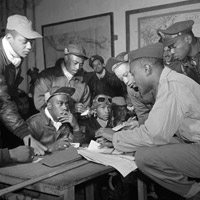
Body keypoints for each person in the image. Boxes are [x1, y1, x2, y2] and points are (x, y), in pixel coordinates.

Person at [96, 43, 200, 200]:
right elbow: (157, 129)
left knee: (144, 157)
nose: (130, 80)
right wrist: (123, 141)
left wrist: (115, 137)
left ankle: (194, 193)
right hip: (190, 140)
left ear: (147, 69)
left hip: (195, 143)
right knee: (150, 148)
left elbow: (153, 134)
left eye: (132, 73)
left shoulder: (171, 85)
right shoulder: (168, 81)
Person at [0, 14, 47, 156]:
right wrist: (25, 135)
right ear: (9, 38)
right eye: (25, 41)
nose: (29, 47)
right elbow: (3, 102)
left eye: (31, 42)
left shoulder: (14, 57)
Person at [34, 43, 91, 114]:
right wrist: (70, 108)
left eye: (81, 64)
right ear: (66, 58)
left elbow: (86, 106)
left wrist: (85, 111)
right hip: (50, 124)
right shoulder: (46, 77)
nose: (78, 68)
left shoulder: (82, 82)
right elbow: (39, 104)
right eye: (75, 63)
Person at [27, 86, 87, 151]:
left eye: (66, 103)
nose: (65, 107)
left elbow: (77, 147)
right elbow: (27, 153)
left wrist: (76, 127)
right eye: (60, 103)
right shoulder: (33, 123)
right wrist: (51, 147)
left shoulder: (69, 121)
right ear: (49, 105)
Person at [106, 57, 155, 125]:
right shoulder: (131, 89)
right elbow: (142, 114)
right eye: (121, 79)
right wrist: (139, 124)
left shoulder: (155, 80)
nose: (125, 81)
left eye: (126, 75)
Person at [157, 20, 200, 84]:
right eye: (170, 48)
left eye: (174, 46)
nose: (172, 52)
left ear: (188, 39)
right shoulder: (181, 59)